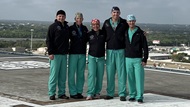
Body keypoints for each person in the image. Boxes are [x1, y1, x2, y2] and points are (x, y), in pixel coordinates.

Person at [102, 6, 128, 101]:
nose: (115, 14)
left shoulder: (124, 22)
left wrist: (141, 32)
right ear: (111, 13)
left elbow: (132, 28)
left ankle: (122, 93)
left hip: (121, 50)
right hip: (110, 50)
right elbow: (102, 35)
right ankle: (110, 93)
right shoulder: (106, 23)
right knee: (110, 73)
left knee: (121, 73)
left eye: (117, 12)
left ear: (119, 13)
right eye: (114, 12)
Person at [46, 10, 70, 100]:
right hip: (55, 55)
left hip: (64, 55)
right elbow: (49, 40)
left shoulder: (67, 27)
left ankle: (61, 93)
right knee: (54, 75)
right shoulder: (53, 27)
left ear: (65, 17)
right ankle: (52, 93)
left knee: (62, 76)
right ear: (56, 17)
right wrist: (50, 52)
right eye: (59, 16)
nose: (61, 18)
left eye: (63, 16)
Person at [125, 14, 148, 103]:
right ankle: (132, 95)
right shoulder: (125, 31)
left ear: (135, 21)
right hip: (128, 58)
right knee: (130, 78)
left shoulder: (140, 32)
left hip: (138, 59)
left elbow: (145, 46)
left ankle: (139, 96)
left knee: (139, 78)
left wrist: (145, 58)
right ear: (127, 22)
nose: (131, 23)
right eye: (129, 21)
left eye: (133, 21)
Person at [68, 12, 88, 99]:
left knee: (80, 74)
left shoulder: (85, 28)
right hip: (73, 53)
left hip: (82, 54)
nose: (79, 20)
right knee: (71, 74)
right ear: (75, 19)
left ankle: (79, 91)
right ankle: (73, 92)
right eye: (77, 18)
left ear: (82, 19)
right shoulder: (71, 28)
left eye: (80, 18)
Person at [86, 19, 106, 100]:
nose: (95, 26)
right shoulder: (89, 34)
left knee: (100, 76)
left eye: (97, 24)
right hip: (92, 57)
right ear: (91, 25)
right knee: (91, 75)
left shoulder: (103, 33)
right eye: (93, 24)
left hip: (101, 57)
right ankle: (90, 93)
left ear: (99, 25)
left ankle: (97, 92)